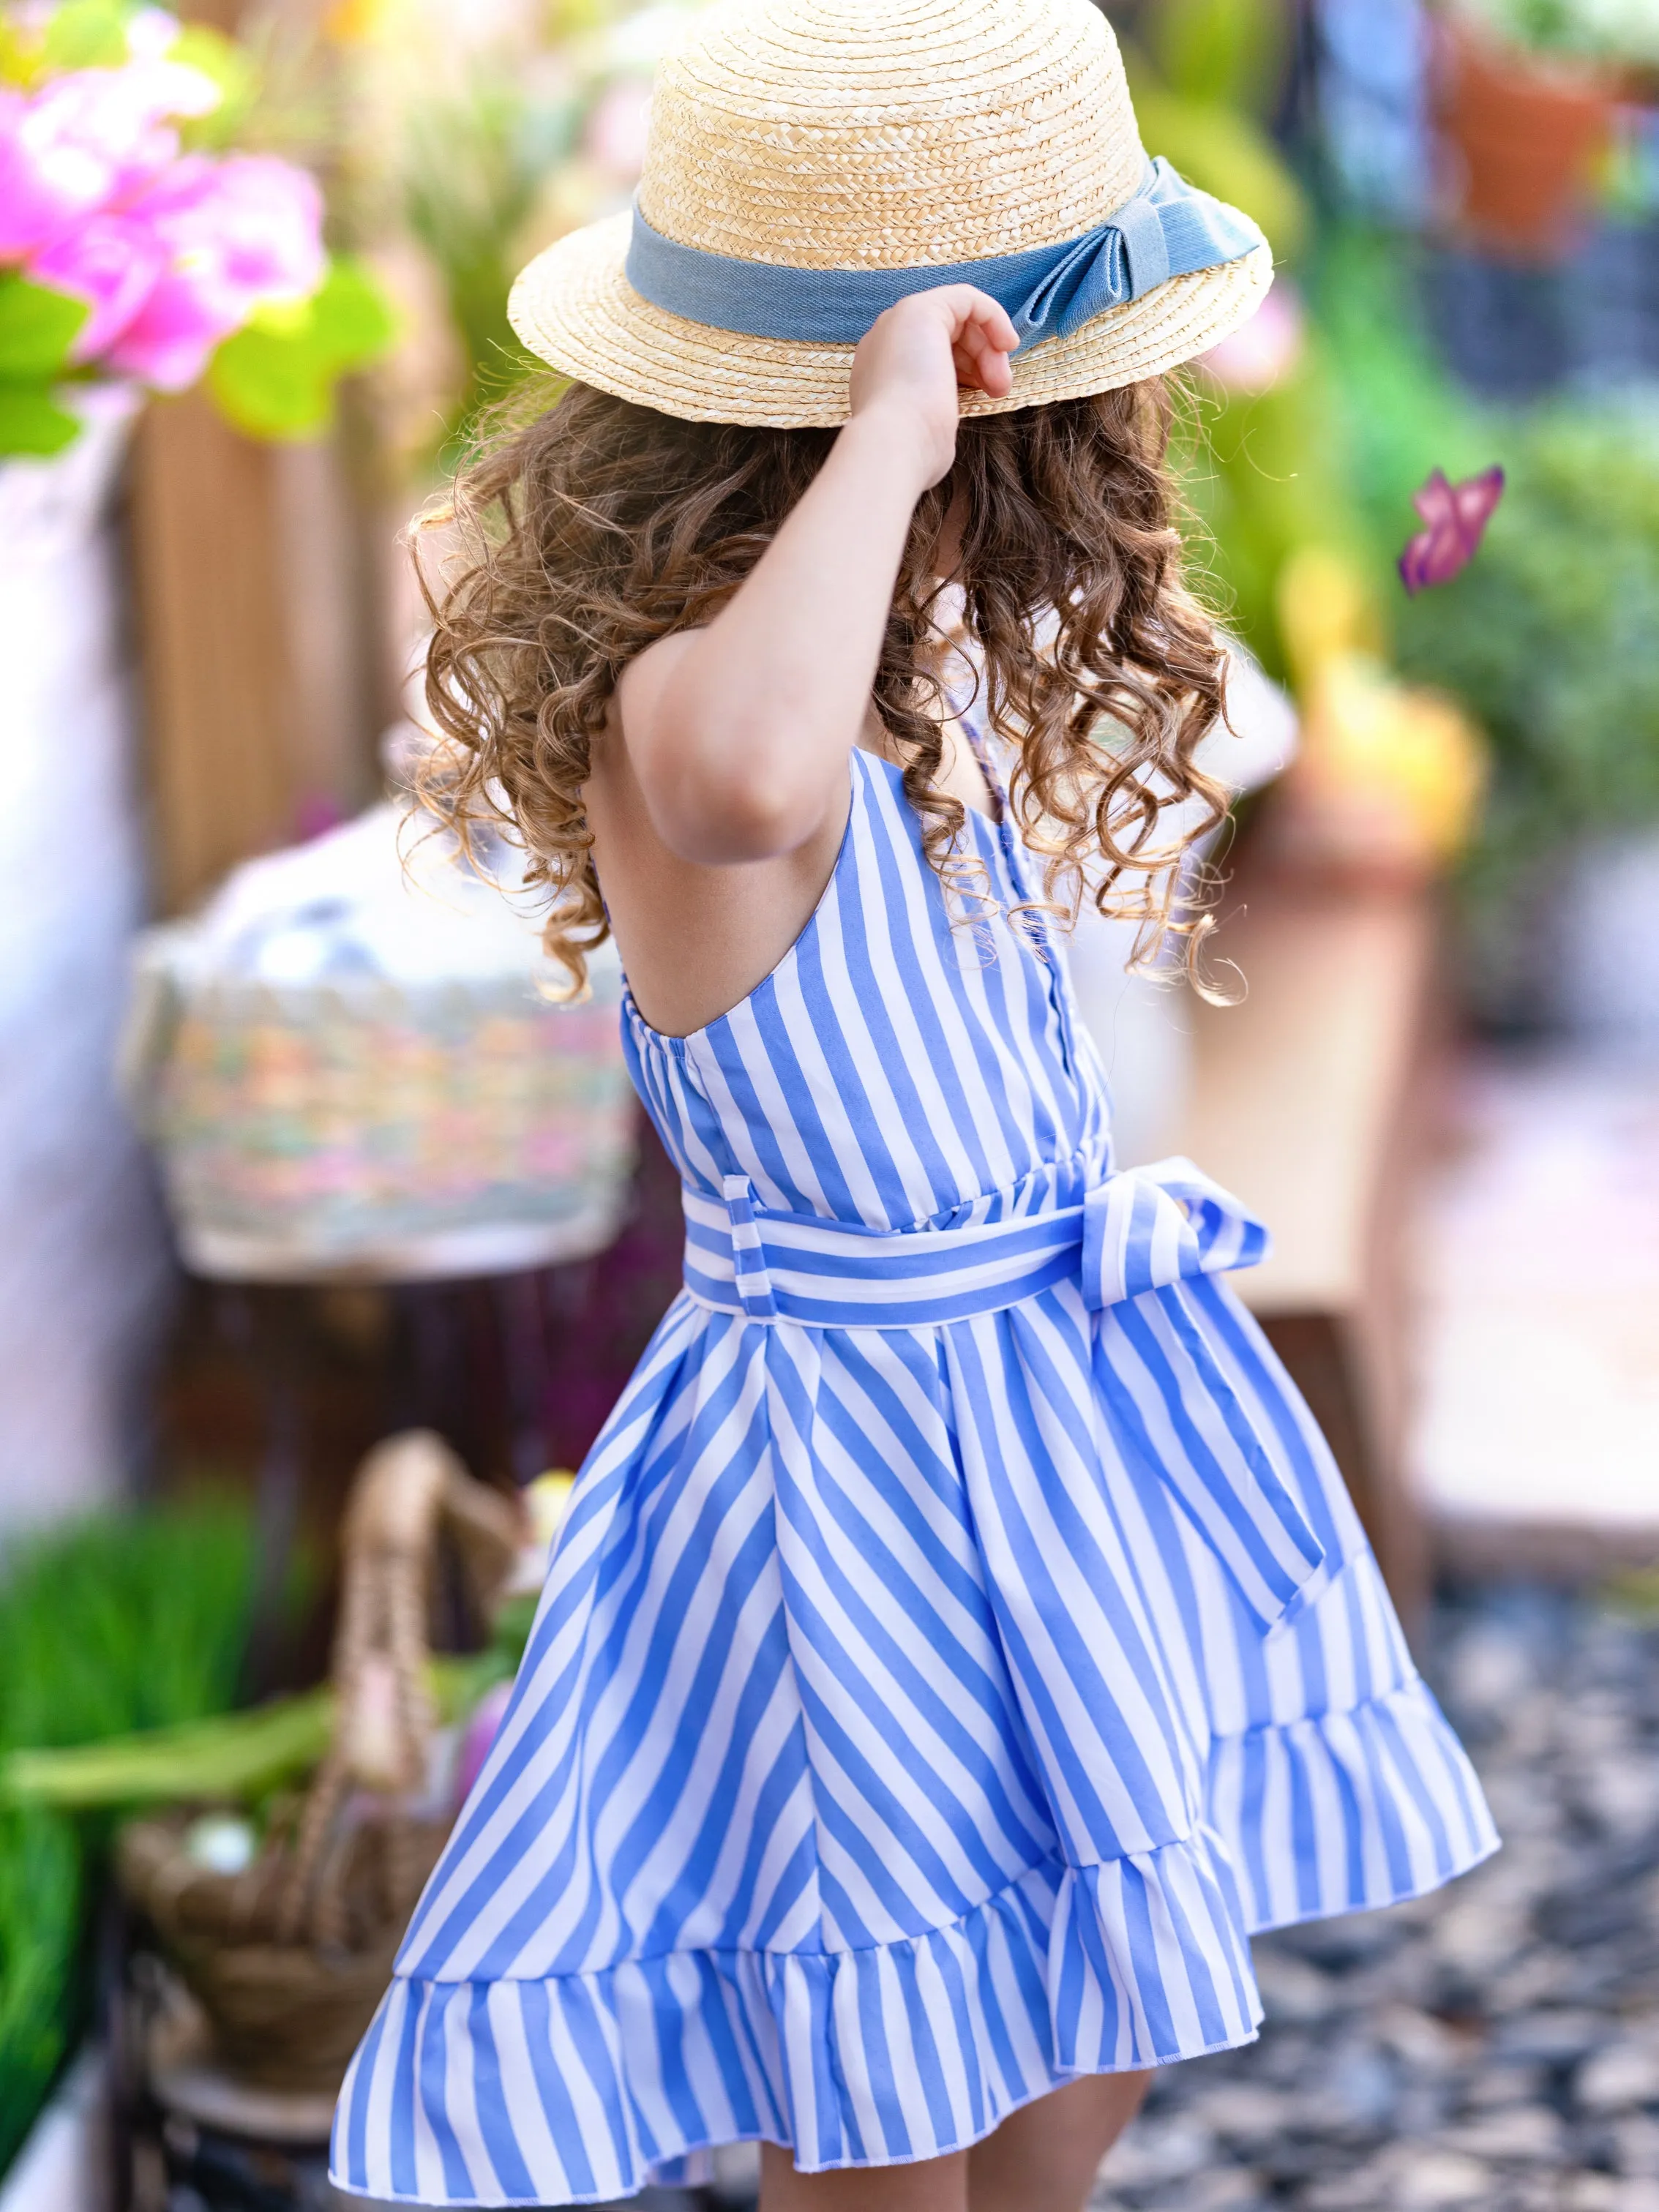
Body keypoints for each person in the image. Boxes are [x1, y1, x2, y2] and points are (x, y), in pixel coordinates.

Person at [332, 2, 1496, 2205]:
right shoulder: (690, 707)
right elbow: (755, 776)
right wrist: (887, 416)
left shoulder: (922, 662)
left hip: (1035, 1412)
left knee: (1085, 2017)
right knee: (892, 2074)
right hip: (842, 1464)